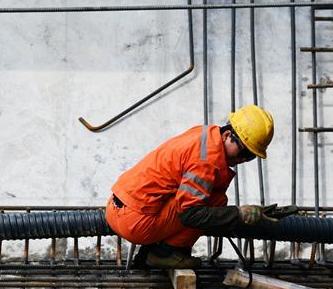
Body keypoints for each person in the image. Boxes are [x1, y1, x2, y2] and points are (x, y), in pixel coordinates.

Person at [106, 105, 283, 269]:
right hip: (135, 221)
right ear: (227, 135)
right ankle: (164, 253)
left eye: (251, 156)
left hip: (118, 207)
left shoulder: (207, 133)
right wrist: (238, 214)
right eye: (244, 151)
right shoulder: (206, 161)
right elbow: (190, 214)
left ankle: (153, 251)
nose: (243, 159)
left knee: (211, 198)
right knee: (214, 202)